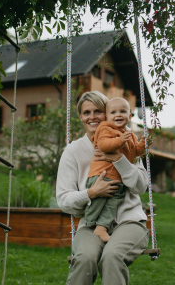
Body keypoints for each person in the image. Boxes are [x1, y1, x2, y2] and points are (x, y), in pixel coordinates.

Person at [56, 91, 149, 285]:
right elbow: (64, 200)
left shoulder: (125, 140)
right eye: (86, 112)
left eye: (98, 111)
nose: (92, 117)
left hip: (128, 221)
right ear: (80, 116)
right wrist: (91, 193)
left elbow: (141, 187)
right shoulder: (73, 152)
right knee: (84, 258)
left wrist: (119, 159)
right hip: (92, 224)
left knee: (112, 257)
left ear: (106, 114)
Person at [85, 97, 147, 242]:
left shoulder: (130, 135)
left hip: (117, 181)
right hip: (101, 176)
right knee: (98, 202)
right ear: (106, 117)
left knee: (113, 204)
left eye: (123, 111)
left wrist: (143, 144)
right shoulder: (105, 129)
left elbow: (135, 152)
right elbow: (104, 146)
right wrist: (120, 141)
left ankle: (101, 227)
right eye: (113, 112)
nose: (118, 115)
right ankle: (88, 224)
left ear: (130, 116)